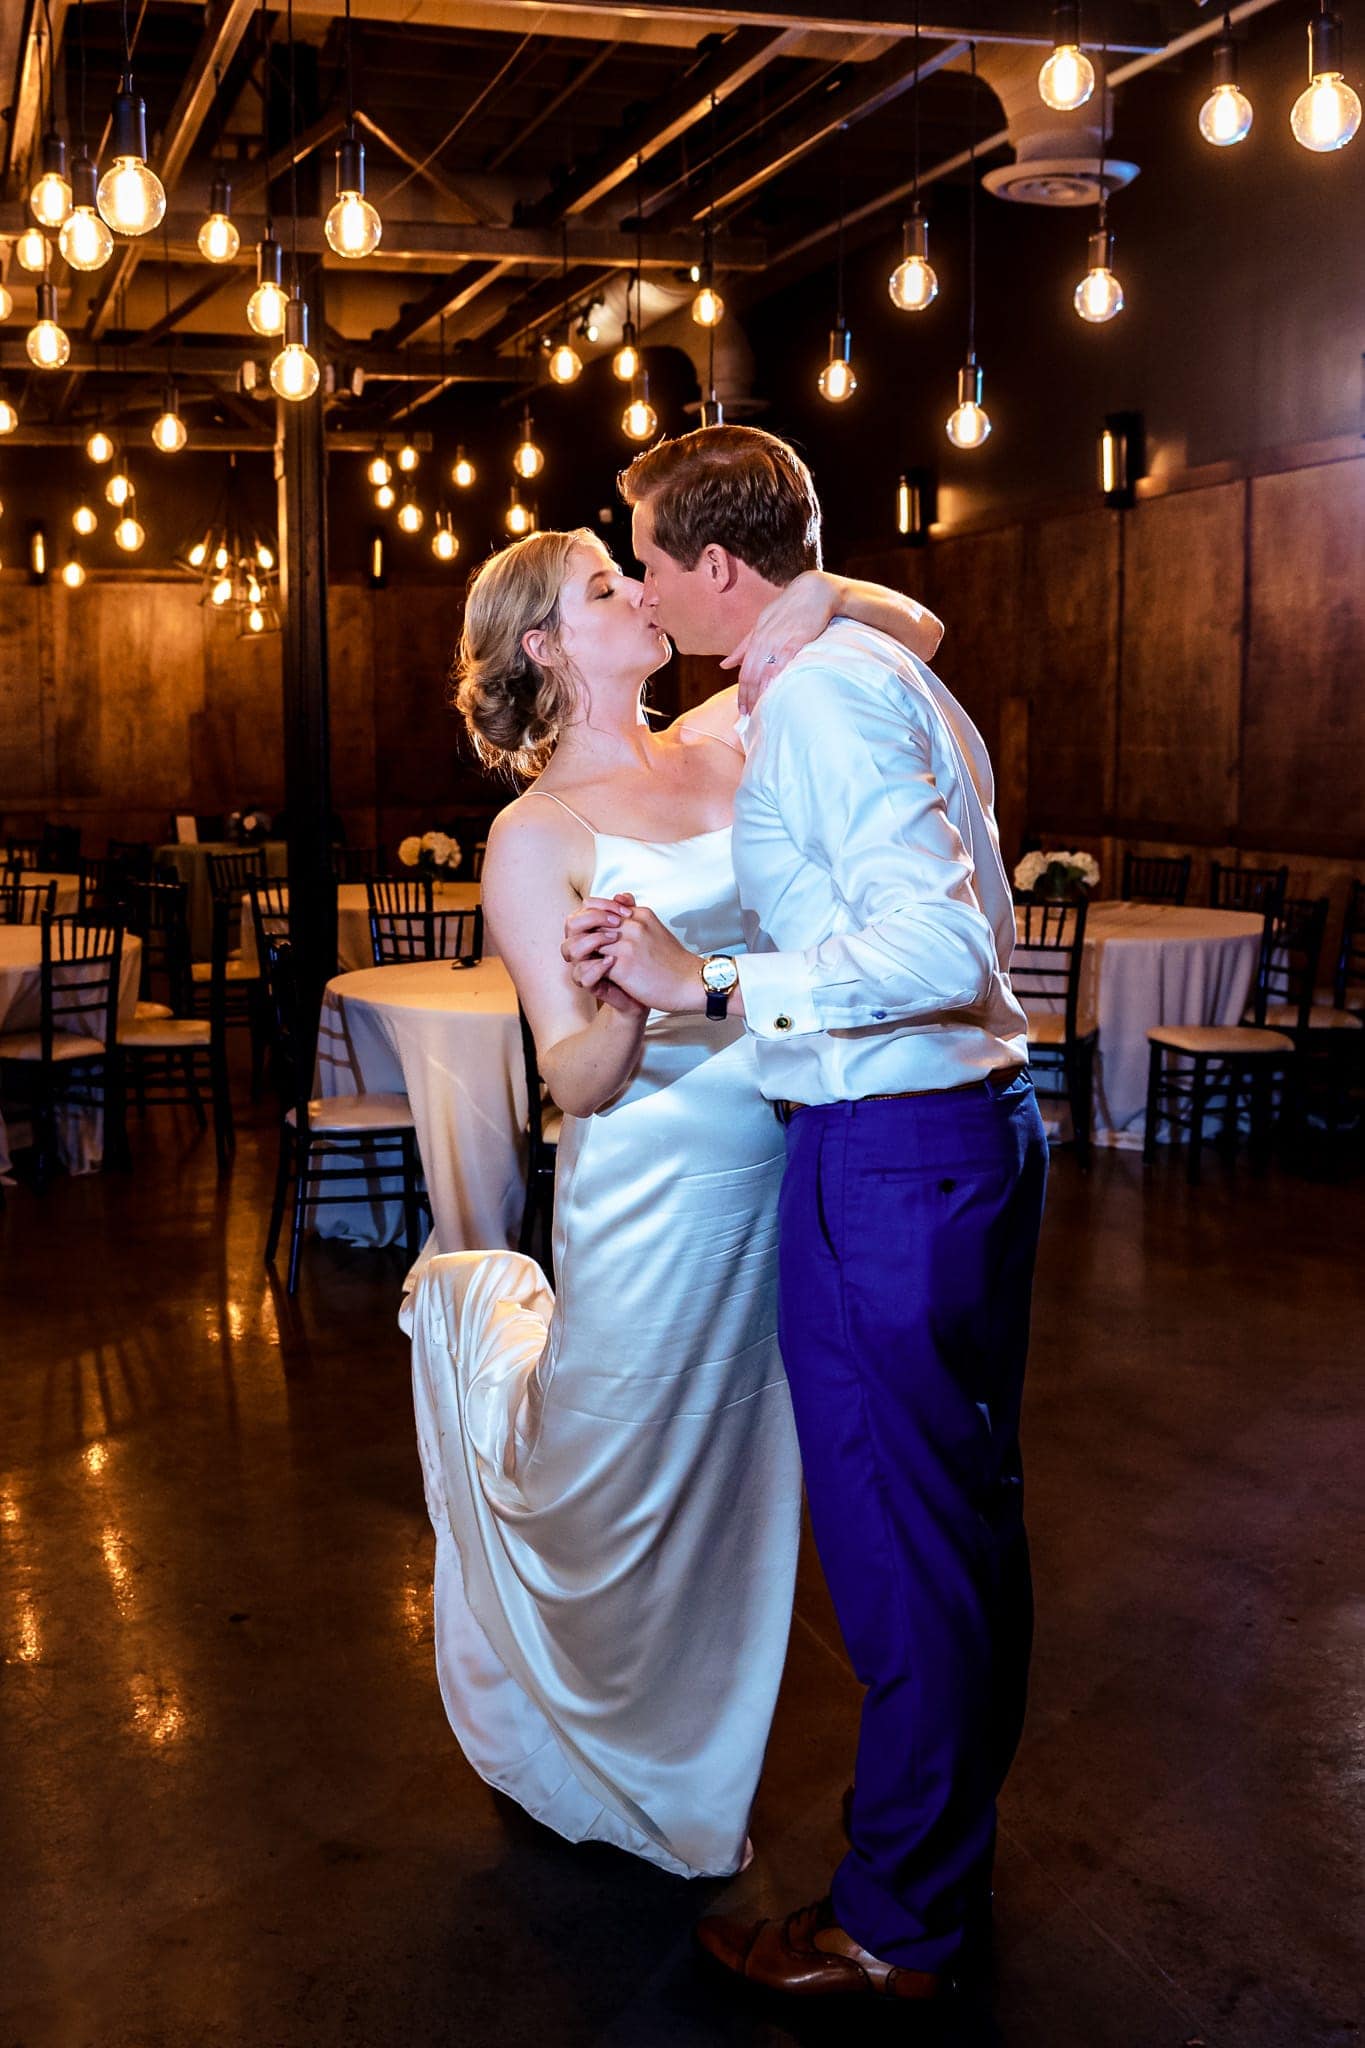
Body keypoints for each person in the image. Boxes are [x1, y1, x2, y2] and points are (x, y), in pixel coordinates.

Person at [566, 425, 1048, 2003]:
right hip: (954, 1140)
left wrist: (699, 977)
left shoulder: (829, 692)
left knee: (902, 1552)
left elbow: (928, 955)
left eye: (645, 557)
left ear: (713, 569)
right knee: (954, 1531)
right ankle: (937, 1881)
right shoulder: (847, 658)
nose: (638, 583)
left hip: (892, 1157)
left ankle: (894, 1927)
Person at [401, 523, 946, 1878]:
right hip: (647, 1184)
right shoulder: (535, 836)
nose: (641, 594)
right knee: (621, 1480)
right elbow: (572, 1079)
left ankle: (693, 1754)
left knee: (740, 1478)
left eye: (633, 571)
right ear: (545, 645)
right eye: (605, 587)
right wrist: (629, 1001)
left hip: (784, 1153)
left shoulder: (724, 730)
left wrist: (794, 588)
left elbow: (911, 633)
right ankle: (588, 1726)